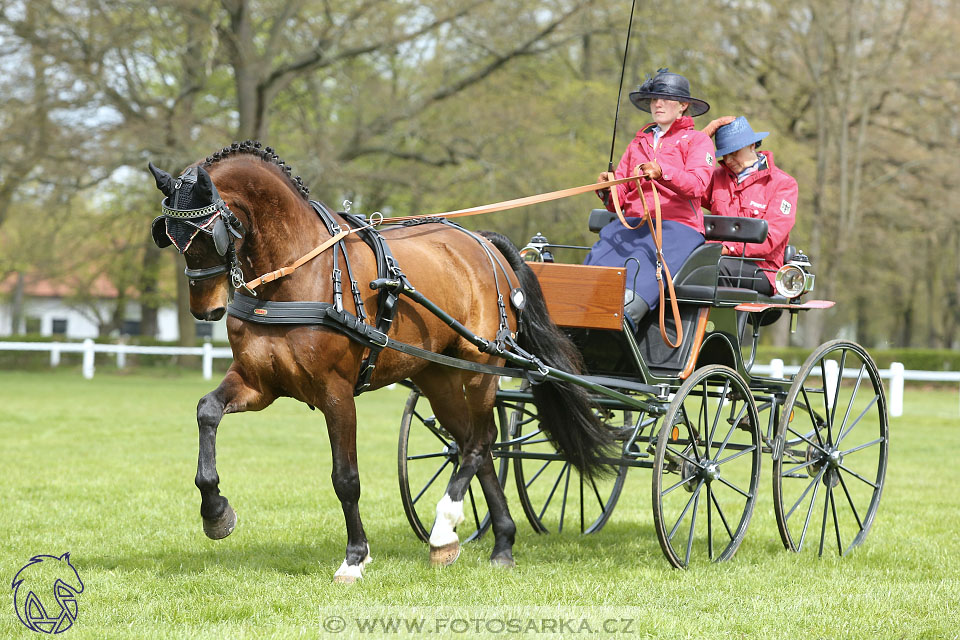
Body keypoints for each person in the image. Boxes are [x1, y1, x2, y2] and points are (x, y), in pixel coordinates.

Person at [585, 69, 715, 325]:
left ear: (683, 106)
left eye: (666, 98)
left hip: (677, 227)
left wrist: (663, 172)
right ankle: (578, 311)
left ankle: (623, 318)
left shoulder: (697, 141)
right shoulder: (638, 142)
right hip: (634, 223)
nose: (658, 103)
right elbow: (619, 199)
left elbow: (698, 185)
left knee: (640, 272)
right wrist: (608, 188)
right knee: (598, 260)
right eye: (654, 99)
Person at [703, 116, 798, 296]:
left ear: (752, 145)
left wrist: (725, 249)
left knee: (714, 268)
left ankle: (718, 324)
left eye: (734, 152)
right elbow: (684, 182)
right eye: (724, 153)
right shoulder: (715, 178)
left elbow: (770, 238)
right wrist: (704, 135)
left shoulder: (783, 184)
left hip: (762, 269)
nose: (729, 159)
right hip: (716, 258)